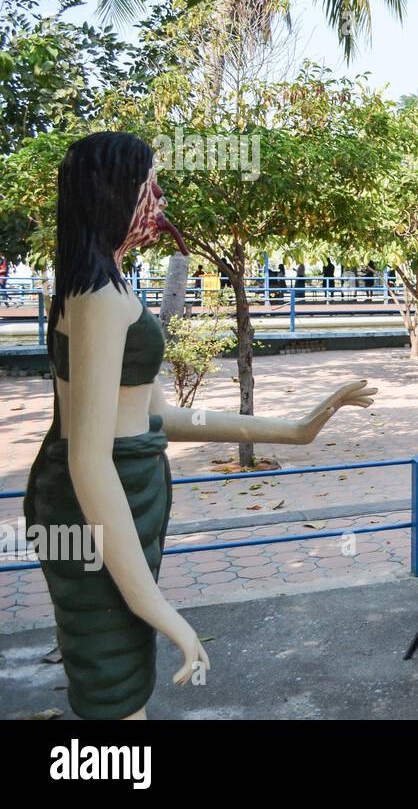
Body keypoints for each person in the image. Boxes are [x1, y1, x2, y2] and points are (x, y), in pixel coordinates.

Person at [24, 132, 376, 720]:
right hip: (98, 500)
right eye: (148, 187)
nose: (159, 200)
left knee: (121, 667)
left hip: (127, 488)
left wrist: (293, 427)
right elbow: (89, 460)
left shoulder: (105, 289)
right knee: (113, 676)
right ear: (113, 194)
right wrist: (162, 611)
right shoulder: (97, 302)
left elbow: (157, 417)